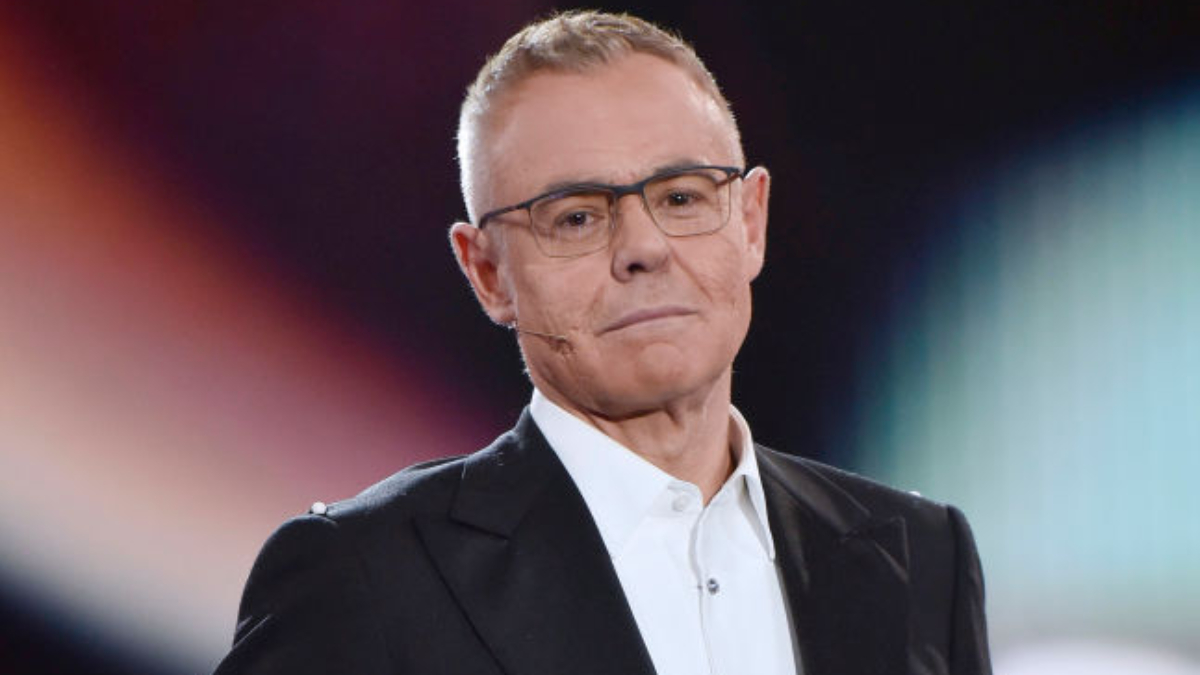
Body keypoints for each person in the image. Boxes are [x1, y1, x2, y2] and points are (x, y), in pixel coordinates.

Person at [214, 10, 991, 675]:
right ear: (488, 272)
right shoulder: (365, 576)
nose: (644, 247)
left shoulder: (922, 557)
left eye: (682, 196)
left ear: (750, 221)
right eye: (577, 217)